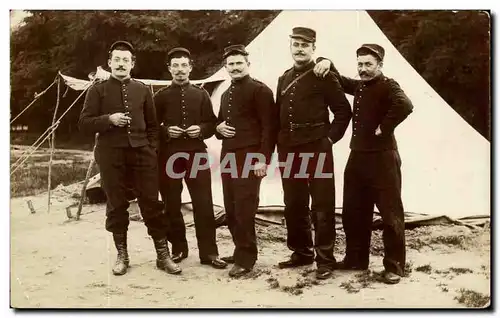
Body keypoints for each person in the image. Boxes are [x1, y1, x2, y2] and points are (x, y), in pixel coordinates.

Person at [314, 43, 414, 284]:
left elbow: (406, 105)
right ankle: (356, 259)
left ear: (380, 65)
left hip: (383, 158)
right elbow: (341, 79)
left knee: (390, 214)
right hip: (357, 157)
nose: (363, 69)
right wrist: (326, 60)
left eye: (368, 64)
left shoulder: (389, 85)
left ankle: (394, 267)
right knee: (353, 212)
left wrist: (384, 127)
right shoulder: (359, 86)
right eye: (360, 64)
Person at [78, 40, 180, 276]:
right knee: (116, 204)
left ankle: (162, 256)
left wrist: (151, 149)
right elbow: (83, 123)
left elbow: (153, 126)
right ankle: (122, 256)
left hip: (142, 154)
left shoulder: (142, 89)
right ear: (109, 63)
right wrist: (108, 120)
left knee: (151, 204)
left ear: (133, 64)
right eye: (117, 59)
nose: (121, 64)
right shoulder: (97, 90)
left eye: (126, 60)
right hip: (111, 154)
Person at [274, 27, 352, 280]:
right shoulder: (284, 77)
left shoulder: (324, 74)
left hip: (316, 147)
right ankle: (301, 252)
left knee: (322, 204)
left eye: (304, 45)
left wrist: (329, 140)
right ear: (290, 47)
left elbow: (343, 111)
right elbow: (279, 115)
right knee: (293, 202)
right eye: (295, 44)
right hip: (290, 149)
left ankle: (325, 259)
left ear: (313, 49)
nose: (299, 49)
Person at [154, 47, 227, 269]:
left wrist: (201, 130)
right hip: (169, 156)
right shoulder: (160, 97)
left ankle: (209, 253)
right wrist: (166, 132)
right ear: (169, 69)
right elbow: (150, 128)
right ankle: (178, 249)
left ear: (190, 67)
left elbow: (213, 124)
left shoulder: (201, 94)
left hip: (196, 155)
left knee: (203, 203)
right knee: (171, 204)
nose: (180, 70)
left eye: (184, 65)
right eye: (175, 65)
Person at [216, 44, 276, 278]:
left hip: (250, 157)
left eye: (239, 63)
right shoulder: (225, 94)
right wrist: (218, 128)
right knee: (230, 207)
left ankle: (247, 258)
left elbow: (269, 128)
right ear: (225, 68)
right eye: (231, 64)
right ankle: (240, 248)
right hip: (228, 155)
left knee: (244, 207)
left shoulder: (260, 91)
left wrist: (262, 159)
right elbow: (219, 125)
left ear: (248, 65)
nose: (235, 67)